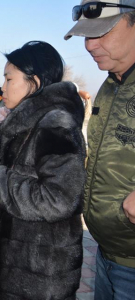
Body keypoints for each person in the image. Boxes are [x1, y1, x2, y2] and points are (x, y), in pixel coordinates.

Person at [0, 41, 86, 299]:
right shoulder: (25, 122)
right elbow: (5, 170)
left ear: (35, 80)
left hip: (41, 272)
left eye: (9, 79)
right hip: (18, 265)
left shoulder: (56, 123)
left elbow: (59, 199)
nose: (4, 87)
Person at [65, 2, 135, 299]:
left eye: (101, 32)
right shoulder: (111, 85)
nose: (90, 45)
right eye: (85, 35)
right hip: (107, 252)